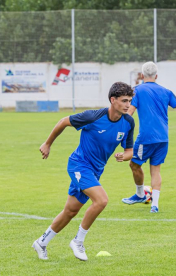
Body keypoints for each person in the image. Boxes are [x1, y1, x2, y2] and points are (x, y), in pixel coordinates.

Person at [32, 82, 135, 261]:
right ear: (113, 100)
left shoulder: (128, 122)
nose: (128, 104)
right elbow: (64, 121)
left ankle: (41, 242)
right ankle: (78, 241)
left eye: (130, 101)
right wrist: (47, 144)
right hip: (79, 165)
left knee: (70, 211)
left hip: (95, 171)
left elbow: (130, 150)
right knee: (101, 200)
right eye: (124, 100)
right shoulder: (93, 116)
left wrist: (124, 156)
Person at [121, 61, 176, 213]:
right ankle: (155, 205)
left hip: (146, 138)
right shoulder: (166, 91)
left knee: (134, 164)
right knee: (155, 170)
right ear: (156, 76)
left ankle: (140, 194)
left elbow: (129, 113)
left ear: (142, 75)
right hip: (163, 138)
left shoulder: (137, 91)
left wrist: (119, 130)